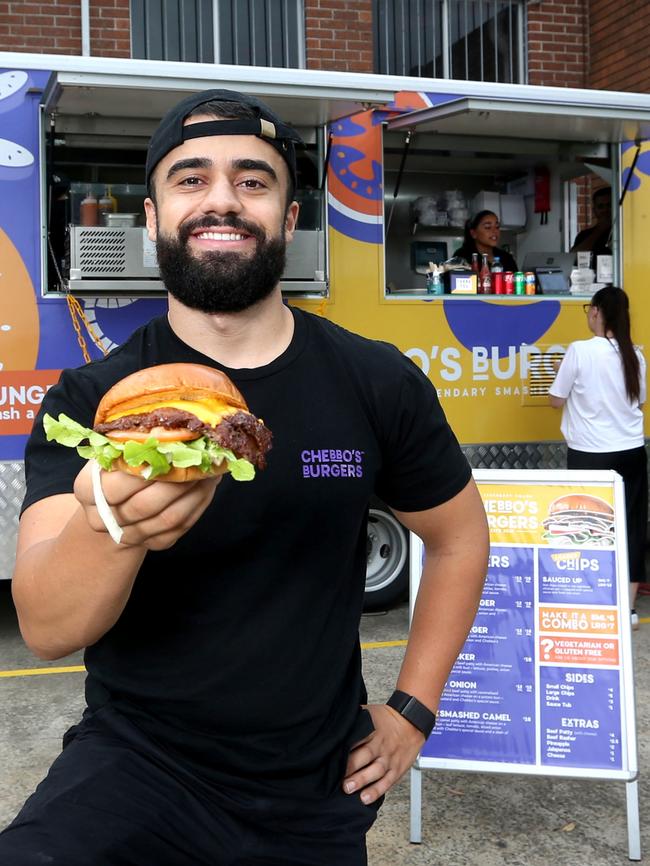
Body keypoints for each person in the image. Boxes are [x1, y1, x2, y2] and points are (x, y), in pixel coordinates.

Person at [0, 89, 489, 865]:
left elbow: (460, 539)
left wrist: (411, 711)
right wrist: (113, 526)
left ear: (288, 221)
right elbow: (49, 628)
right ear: (154, 218)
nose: (221, 198)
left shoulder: (375, 380)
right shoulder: (95, 399)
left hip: (314, 789)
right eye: (190, 178)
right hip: (135, 768)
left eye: (254, 180)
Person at [549, 286, 646, 630]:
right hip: (632, 452)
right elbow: (640, 402)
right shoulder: (635, 354)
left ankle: (592, 602)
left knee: (587, 528)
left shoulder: (579, 351)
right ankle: (628, 610)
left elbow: (556, 400)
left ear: (596, 312)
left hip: (590, 455)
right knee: (631, 528)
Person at [453, 209, 518, 272]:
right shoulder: (462, 257)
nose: (495, 231)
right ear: (473, 233)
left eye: (497, 227)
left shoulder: (506, 258)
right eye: (488, 227)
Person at [570, 186, 612, 259]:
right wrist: (600, 230)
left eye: (609, 205)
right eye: (600, 206)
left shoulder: (624, 232)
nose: (605, 210)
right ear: (594, 210)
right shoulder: (584, 235)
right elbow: (573, 258)